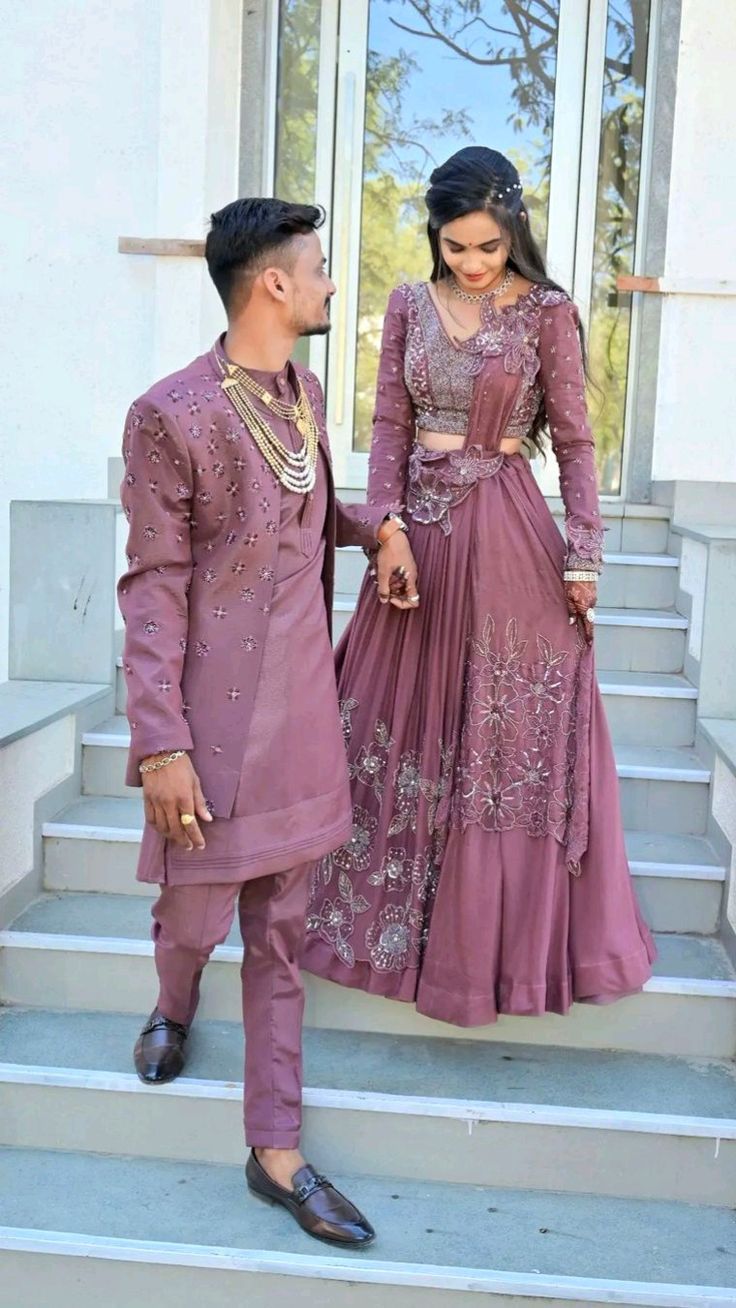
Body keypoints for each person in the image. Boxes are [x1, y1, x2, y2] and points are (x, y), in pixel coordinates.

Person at [117, 197, 416, 1245]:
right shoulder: (172, 414)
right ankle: (174, 1003)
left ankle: (276, 1153)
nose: (335, 284)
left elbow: (304, 507)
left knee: (282, 940)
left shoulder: (303, 393)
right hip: (211, 729)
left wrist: (376, 526)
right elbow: (152, 585)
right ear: (274, 285)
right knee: (195, 924)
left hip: (303, 727)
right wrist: (160, 743)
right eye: (322, 268)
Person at [303, 146, 656, 1025]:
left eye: (488, 248)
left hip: (507, 535)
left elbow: (575, 444)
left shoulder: (547, 314)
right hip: (416, 542)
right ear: (436, 236)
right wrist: (385, 526)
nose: (470, 263)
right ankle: (385, 934)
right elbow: (388, 425)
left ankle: (494, 956)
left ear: (515, 236)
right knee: (394, 720)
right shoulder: (406, 307)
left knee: (506, 740)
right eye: (455, 245)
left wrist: (584, 553)